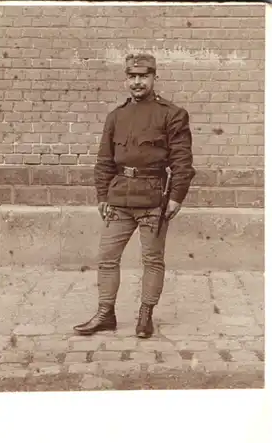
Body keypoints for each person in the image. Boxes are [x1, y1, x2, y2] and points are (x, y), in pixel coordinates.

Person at [73, 53, 195, 338]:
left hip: (153, 200)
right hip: (119, 200)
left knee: (152, 260)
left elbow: (183, 162)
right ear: (126, 79)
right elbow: (104, 160)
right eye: (132, 77)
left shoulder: (172, 114)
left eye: (143, 76)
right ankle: (106, 314)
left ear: (154, 78)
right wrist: (102, 195)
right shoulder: (116, 116)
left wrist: (176, 197)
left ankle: (145, 315)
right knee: (106, 257)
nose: (137, 82)